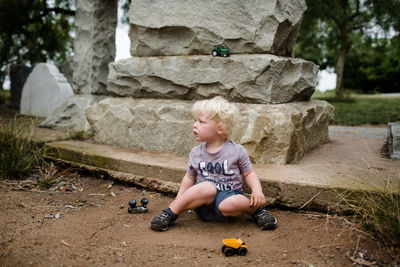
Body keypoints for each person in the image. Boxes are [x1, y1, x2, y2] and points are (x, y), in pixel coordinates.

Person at [150, 96, 277, 231]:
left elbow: (249, 173)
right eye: (195, 121)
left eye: (201, 121)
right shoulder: (196, 153)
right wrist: (179, 199)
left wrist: (257, 191)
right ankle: (170, 213)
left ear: (220, 128)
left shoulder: (237, 151)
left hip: (229, 198)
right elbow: (189, 178)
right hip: (203, 203)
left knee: (230, 203)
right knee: (206, 187)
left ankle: (258, 211)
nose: (194, 125)